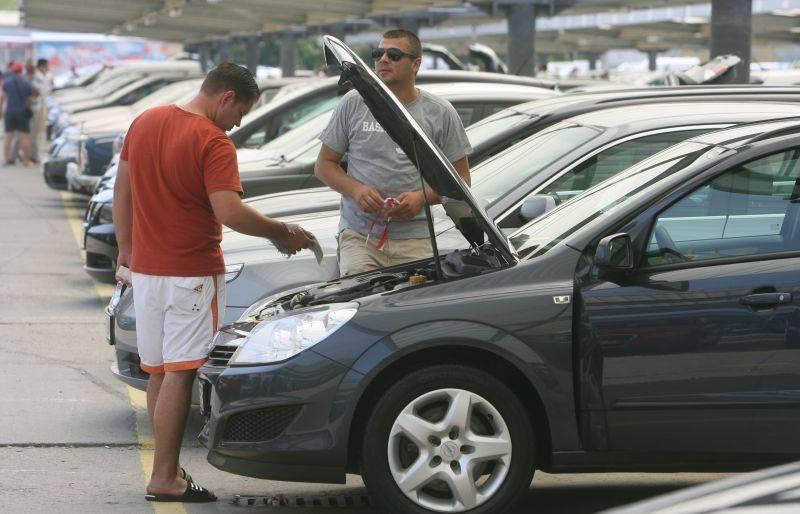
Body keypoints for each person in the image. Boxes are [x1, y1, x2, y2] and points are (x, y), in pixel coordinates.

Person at [113, 63, 316, 503]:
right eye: (240, 112)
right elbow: (230, 212)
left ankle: (167, 469)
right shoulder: (212, 140)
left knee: (159, 371)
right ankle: (165, 478)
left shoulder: (145, 122)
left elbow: (121, 190)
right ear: (226, 97)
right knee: (181, 373)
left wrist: (126, 251)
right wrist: (282, 233)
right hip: (190, 273)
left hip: (146, 273)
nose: (238, 123)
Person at [315, 29, 472, 276]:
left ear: (416, 64)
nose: (382, 60)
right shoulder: (353, 102)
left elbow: (462, 180)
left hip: (416, 241)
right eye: (378, 53)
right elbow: (324, 165)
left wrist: (421, 197)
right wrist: (356, 190)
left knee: (409, 312)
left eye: (394, 55)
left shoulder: (440, 112)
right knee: (360, 307)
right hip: (359, 237)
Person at [0, 62, 34, 166]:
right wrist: (28, 106)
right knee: (24, 136)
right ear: (21, 71)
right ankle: (26, 161)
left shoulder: (7, 82)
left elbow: (2, 97)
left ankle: (5, 160)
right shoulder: (26, 82)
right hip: (22, 112)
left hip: (10, 112)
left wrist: (0, 110)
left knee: (8, 136)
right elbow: (30, 99)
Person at [29, 59, 51, 163]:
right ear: (42, 66)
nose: (48, 69)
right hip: (36, 108)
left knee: (37, 133)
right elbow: (39, 91)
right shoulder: (38, 77)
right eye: (47, 66)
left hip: (39, 107)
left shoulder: (40, 77)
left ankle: (33, 155)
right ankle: (33, 156)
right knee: (34, 133)